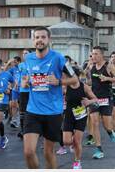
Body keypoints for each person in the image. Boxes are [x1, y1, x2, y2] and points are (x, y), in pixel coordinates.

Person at [21, 26, 78, 169]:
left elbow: (75, 79)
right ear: (33, 40)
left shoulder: (58, 58)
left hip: (52, 112)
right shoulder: (28, 58)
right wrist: (26, 82)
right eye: (37, 37)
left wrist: (59, 81)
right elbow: (29, 78)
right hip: (33, 111)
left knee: (48, 152)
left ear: (48, 40)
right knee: (28, 152)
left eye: (43, 37)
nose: (40, 40)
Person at [85, 46, 115, 159]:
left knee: (107, 125)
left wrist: (107, 79)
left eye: (95, 54)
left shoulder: (108, 66)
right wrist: (86, 76)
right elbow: (90, 82)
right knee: (95, 122)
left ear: (101, 55)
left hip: (106, 98)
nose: (93, 56)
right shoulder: (91, 66)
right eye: (92, 54)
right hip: (95, 98)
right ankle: (99, 149)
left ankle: (110, 132)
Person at [64, 67, 99, 169]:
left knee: (77, 140)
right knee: (66, 141)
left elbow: (95, 99)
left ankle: (77, 162)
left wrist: (89, 101)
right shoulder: (66, 87)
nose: (66, 77)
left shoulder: (84, 87)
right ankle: (72, 144)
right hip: (69, 115)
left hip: (81, 116)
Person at [17, 49, 31, 139]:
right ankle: (23, 130)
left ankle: (32, 129)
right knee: (22, 111)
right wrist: (17, 84)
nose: (24, 55)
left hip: (31, 91)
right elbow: (19, 77)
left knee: (31, 110)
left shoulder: (33, 64)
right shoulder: (20, 65)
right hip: (22, 90)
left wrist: (27, 81)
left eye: (26, 53)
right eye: (23, 53)